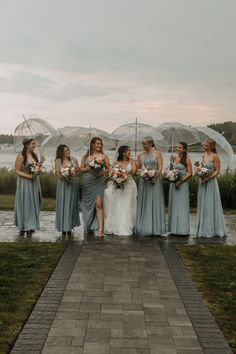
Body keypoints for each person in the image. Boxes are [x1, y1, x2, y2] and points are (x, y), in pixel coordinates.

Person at [104, 145, 137, 236]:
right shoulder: (116, 162)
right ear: (123, 153)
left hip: (129, 185)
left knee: (127, 205)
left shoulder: (132, 161)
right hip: (118, 185)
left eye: (130, 150)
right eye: (128, 151)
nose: (130, 152)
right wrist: (118, 176)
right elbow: (111, 174)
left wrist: (127, 172)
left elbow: (134, 172)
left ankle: (126, 226)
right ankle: (116, 225)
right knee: (118, 204)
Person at [195, 138, 226, 237]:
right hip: (203, 182)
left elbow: (217, 171)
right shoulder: (204, 155)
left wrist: (208, 178)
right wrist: (198, 168)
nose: (204, 147)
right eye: (204, 145)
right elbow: (202, 166)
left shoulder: (215, 156)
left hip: (211, 183)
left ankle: (211, 228)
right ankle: (202, 227)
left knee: (209, 205)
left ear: (212, 146)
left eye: (206, 146)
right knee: (203, 204)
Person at [80, 137, 110, 237]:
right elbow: (81, 169)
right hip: (87, 181)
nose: (99, 145)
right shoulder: (86, 156)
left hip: (99, 181)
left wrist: (101, 173)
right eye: (97, 143)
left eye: (100, 144)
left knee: (99, 204)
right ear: (92, 144)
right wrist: (88, 168)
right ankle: (88, 226)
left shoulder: (104, 155)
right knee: (88, 205)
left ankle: (100, 228)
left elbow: (108, 169)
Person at [136, 136, 166, 236]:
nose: (143, 146)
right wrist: (142, 173)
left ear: (151, 143)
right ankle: (144, 226)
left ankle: (155, 227)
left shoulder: (157, 153)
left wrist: (154, 177)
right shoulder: (140, 155)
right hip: (144, 182)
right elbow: (138, 168)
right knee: (144, 203)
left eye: (145, 144)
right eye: (142, 144)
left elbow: (160, 167)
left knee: (154, 202)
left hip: (154, 182)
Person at [14, 138, 42, 237]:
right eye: (33, 144)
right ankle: (24, 226)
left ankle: (31, 225)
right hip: (24, 183)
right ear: (27, 145)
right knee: (25, 203)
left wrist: (41, 163)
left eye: (35, 144)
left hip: (34, 183)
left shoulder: (34, 156)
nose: (35, 145)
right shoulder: (21, 156)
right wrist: (28, 176)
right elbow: (17, 171)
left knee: (34, 203)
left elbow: (37, 169)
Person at [55, 144, 80, 237]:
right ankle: (63, 227)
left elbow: (78, 171)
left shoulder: (74, 160)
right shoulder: (57, 161)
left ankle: (69, 227)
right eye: (66, 151)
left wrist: (75, 171)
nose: (68, 152)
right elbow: (57, 173)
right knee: (63, 204)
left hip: (73, 184)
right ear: (61, 152)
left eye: (68, 150)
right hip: (62, 185)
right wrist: (64, 178)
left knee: (71, 205)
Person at [168, 142, 192, 236]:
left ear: (184, 149)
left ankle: (182, 229)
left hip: (182, 185)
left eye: (180, 147)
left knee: (181, 206)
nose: (178, 149)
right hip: (173, 184)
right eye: (177, 147)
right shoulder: (175, 158)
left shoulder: (186, 160)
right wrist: (171, 162)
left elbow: (190, 174)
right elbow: (171, 170)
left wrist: (180, 182)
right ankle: (173, 229)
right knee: (173, 205)